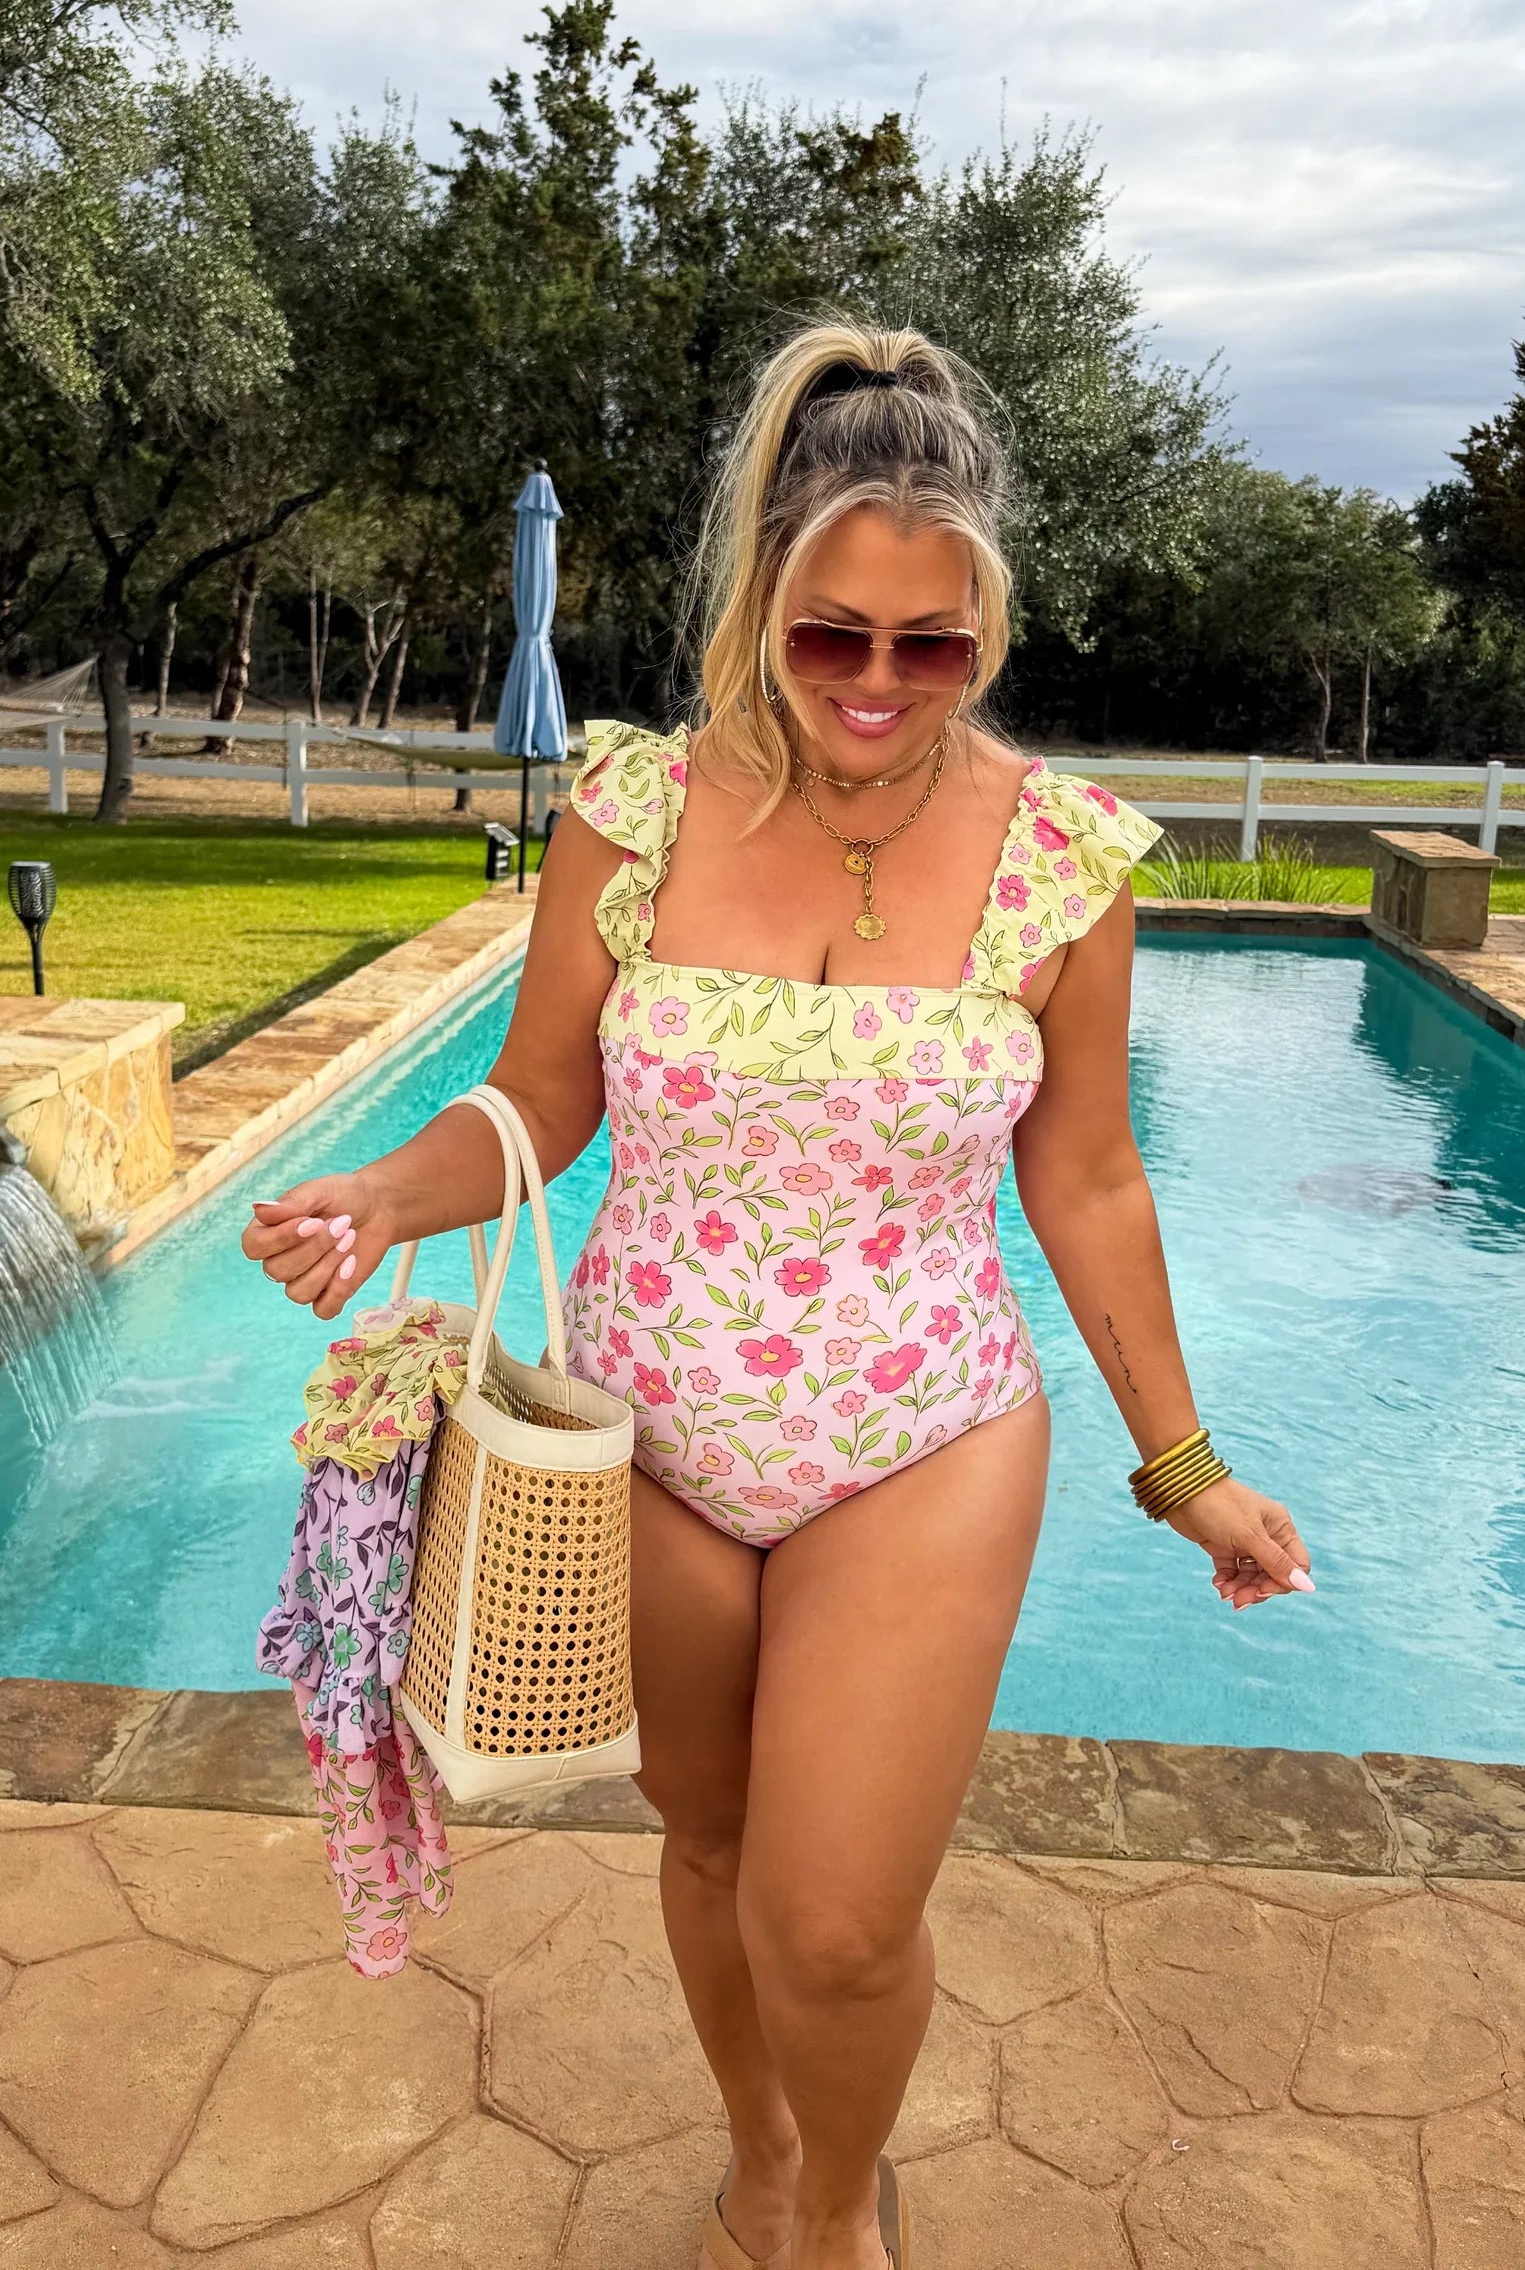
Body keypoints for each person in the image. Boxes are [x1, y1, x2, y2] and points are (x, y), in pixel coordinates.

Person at [243, 320, 1315, 2270]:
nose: (880, 687)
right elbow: (542, 1094)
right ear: (763, 596)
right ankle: (755, 2147)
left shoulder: (1062, 861)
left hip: (919, 1435)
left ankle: (831, 2210)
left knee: (834, 1921)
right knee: (716, 1849)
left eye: (932, 645)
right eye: (834, 636)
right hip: (638, 1445)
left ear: (982, 626)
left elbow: (1082, 1177)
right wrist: (385, 1198)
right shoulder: (631, 816)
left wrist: (1184, 1466)